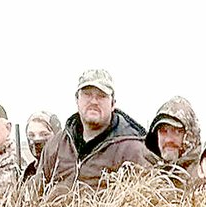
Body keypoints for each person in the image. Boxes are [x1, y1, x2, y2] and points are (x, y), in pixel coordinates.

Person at [36, 68, 157, 196]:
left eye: (101, 96)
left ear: (112, 104)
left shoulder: (133, 151)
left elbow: (148, 203)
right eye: (87, 94)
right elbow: (35, 196)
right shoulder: (56, 146)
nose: (94, 101)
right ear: (77, 99)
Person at [144, 96, 201, 187]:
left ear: (190, 135)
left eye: (177, 131)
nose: (168, 139)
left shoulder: (203, 174)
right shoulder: (146, 174)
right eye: (163, 131)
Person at [24, 111, 61, 180]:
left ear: (57, 136)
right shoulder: (28, 173)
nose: (37, 139)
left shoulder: (66, 168)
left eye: (44, 134)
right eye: (31, 135)